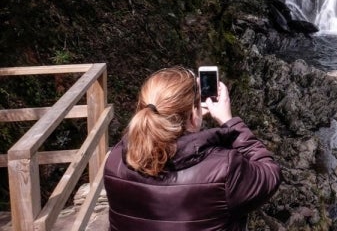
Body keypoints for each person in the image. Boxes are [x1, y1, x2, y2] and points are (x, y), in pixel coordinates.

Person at [104, 66, 281, 231]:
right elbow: (270, 173)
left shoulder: (115, 159)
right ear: (193, 115)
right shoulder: (224, 170)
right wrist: (229, 122)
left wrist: (192, 117)